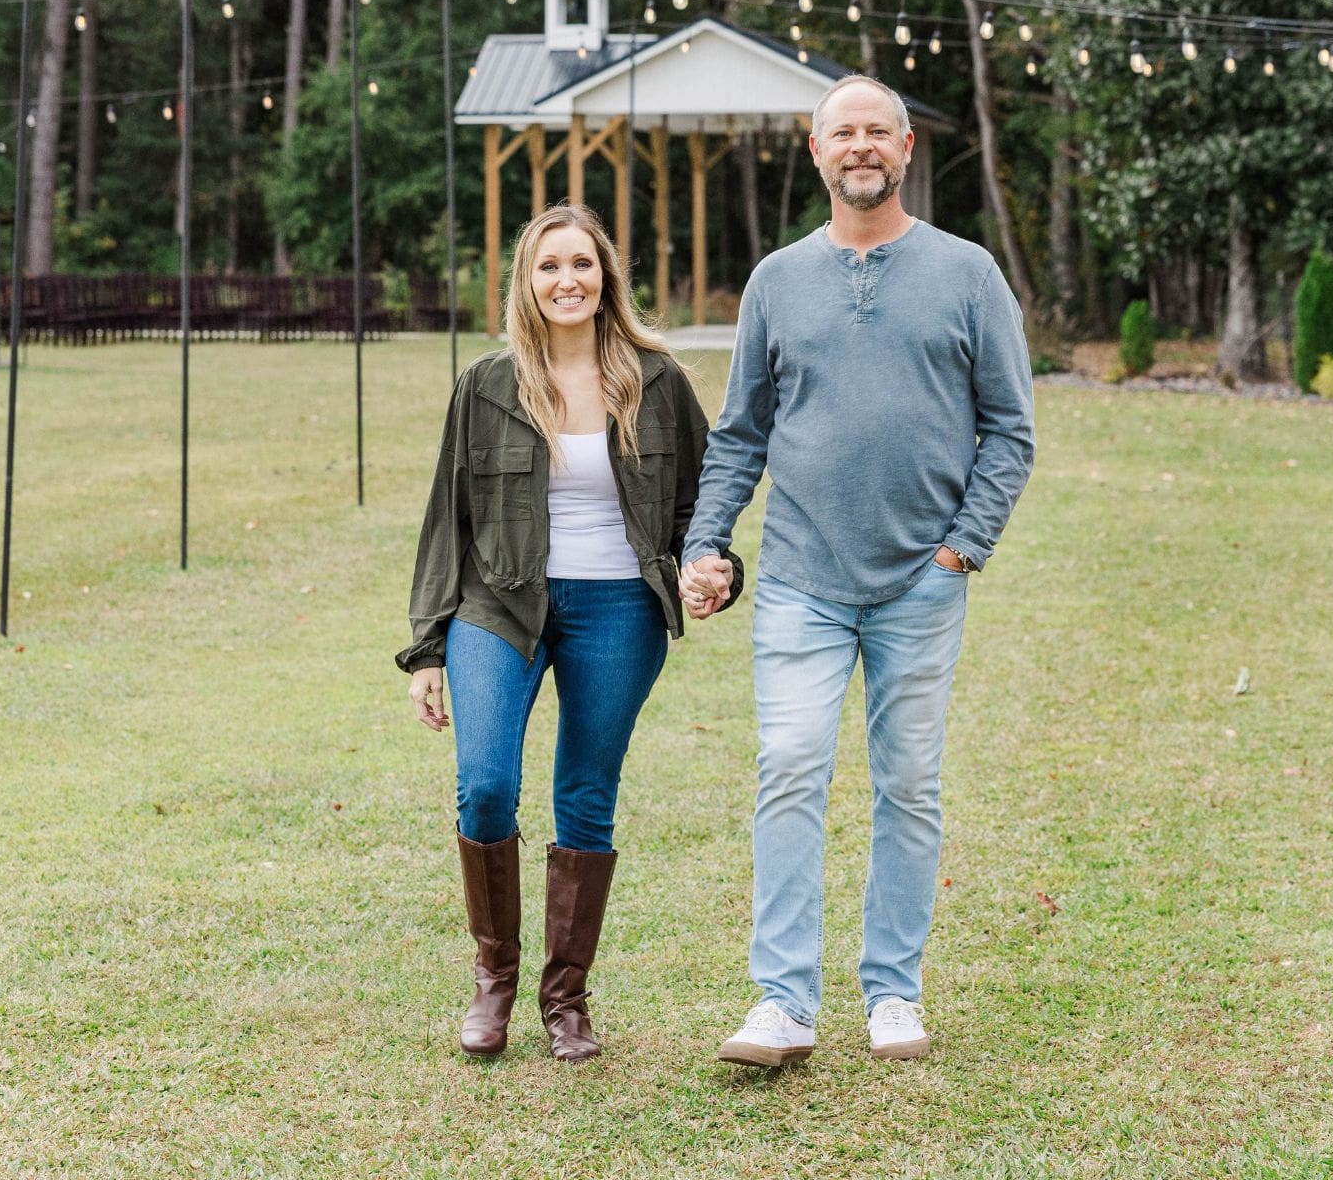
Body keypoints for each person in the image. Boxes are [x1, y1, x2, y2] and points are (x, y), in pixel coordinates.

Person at [677, 74, 1035, 1066]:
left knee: (908, 784)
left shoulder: (965, 274)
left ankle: (892, 991)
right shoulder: (776, 282)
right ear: (815, 149)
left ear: (906, 147)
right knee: (788, 770)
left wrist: (964, 543)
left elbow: (1009, 427)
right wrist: (705, 541)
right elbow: (739, 432)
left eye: (877, 130)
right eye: (843, 132)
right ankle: (781, 1004)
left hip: (921, 579)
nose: (860, 145)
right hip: (799, 576)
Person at [399, 202, 741, 1062]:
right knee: (484, 784)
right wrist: (429, 645)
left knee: (585, 796)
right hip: (498, 605)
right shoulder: (486, 384)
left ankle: (566, 1002)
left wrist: (712, 571)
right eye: (549, 266)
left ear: (606, 277)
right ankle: (493, 987)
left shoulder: (657, 383)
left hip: (619, 607)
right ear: (527, 282)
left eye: (582, 265)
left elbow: (705, 507)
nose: (567, 281)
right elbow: (449, 517)